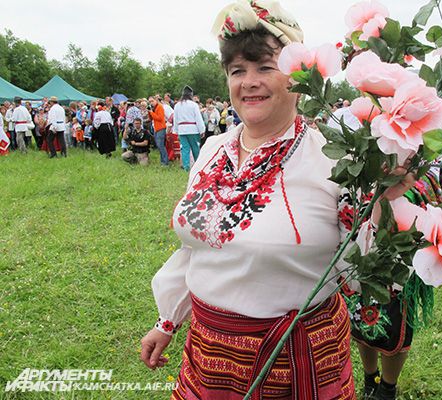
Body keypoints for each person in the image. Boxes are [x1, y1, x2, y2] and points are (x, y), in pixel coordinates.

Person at [140, 3, 416, 399]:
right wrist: (168, 321)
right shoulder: (212, 149)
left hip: (295, 357)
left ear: (298, 77)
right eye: (237, 71)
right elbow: (196, 248)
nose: (248, 81)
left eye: (265, 67)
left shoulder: (336, 159)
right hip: (208, 353)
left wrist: (383, 203)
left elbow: (363, 269)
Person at [172, 86, 205, 171]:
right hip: (193, 129)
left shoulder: (177, 105)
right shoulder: (194, 105)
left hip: (182, 130)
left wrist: (176, 131)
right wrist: (202, 130)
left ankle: (186, 167)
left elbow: (175, 119)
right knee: (195, 148)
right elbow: (198, 118)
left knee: (184, 149)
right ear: (191, 95)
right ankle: (198, 166)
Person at [148, 96, 169, 166]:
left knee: (161, 145)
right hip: (156, 128)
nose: (151, 103)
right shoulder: (154, 108)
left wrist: (151, 113)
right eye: (149, 102)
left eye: (152, 101)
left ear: (156, 100)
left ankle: (165, 162)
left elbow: (160, 118)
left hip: (161, 128)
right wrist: (150, 113)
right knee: (158, 145)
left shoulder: (159, 107)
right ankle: (162, 161)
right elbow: (151, 119)